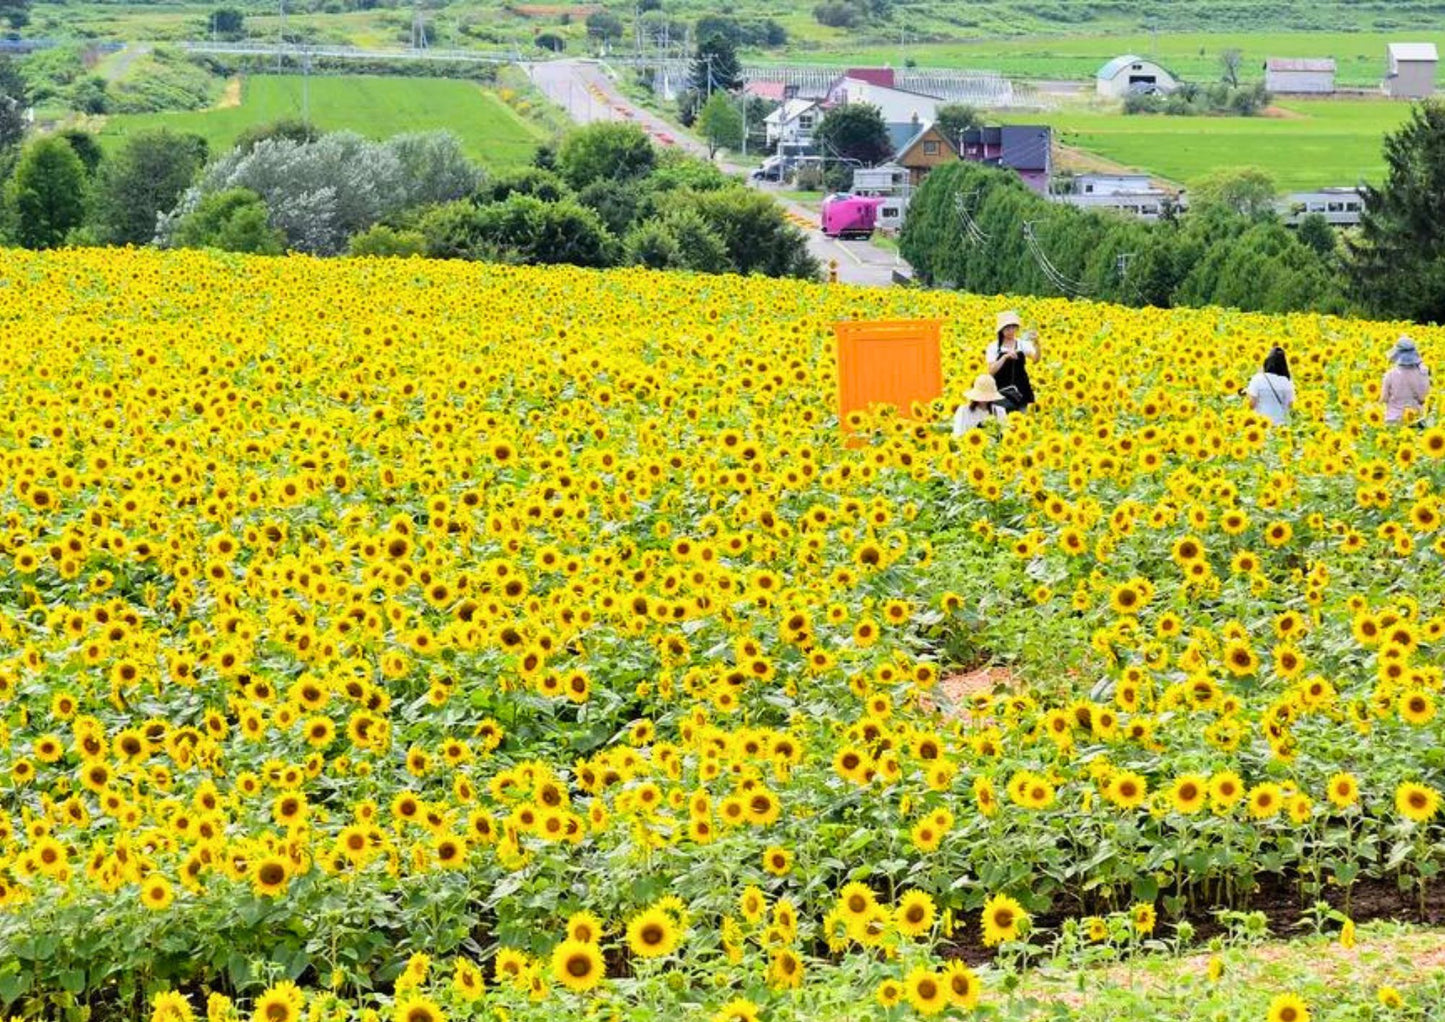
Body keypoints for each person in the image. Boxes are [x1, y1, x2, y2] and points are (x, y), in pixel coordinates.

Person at [985, 310, 1041, 412]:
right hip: (1000, 390)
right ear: (1001, 329)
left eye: (1013, 327)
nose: (1011, 330)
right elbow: (991, 371)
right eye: (1007, 328)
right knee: (1002, 419)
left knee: (1022, 420)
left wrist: (1037, 344)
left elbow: (1035, 359)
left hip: (1021, 389)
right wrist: (1004, 357)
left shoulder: (1021, 344)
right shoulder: (993, 346)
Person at [1381, 335, 1431, 425]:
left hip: (1394, 421)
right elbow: (1424, 398)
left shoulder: (1390, 375)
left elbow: (1384, 398)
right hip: (1415, 420)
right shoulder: (1422, 374)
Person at [1246, 346, 1294, 426]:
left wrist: (1247, 395)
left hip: (1261, 424)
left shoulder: (1258, 379)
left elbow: (1252, 404)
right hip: (1279, 424)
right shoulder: (1286, 381)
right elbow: (1289, 405)